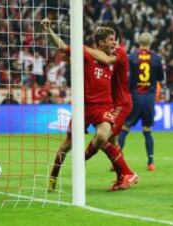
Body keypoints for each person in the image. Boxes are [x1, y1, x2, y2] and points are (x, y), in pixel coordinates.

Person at [42, 18, 138, 192]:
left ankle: (86, 161)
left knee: (103, 136)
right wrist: (49, 31)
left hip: (104, 106)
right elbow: (63, 47)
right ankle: (53, 177)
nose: (114, 43)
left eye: (115, 39)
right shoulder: (86, 55)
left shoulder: (113, 57)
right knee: (66, 146)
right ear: (101, 43)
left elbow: (108, 60)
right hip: (84, 108)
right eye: (110, 40)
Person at [84, 21, 133, 172]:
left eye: (111, 38)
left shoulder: (119, 51)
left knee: (103, 137)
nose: (110, 42)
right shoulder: (110, 51)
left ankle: (126, 173)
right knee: (113, 140)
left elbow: (105, 60)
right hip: (111, 102)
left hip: (121, 102)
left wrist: (83, 48)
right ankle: (121, 174)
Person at [118, 33, 165, 171]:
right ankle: (150, 162)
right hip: (149, 98)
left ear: (139, 42)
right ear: (150, 42)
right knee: (147, 130)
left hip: (135, 96)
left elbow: (128, 78)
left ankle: (117, 162)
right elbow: (161, 78)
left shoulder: (132, 57)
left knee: (125, 128)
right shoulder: (156, 58)